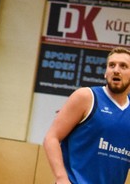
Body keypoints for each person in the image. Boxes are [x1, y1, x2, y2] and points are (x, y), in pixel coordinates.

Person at [43, 46, 130, 184]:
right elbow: (51, 138)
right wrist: (61, 178)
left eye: (123, 66)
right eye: (111, 65)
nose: (116, 70)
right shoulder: (86, 97)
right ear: (105, 73)